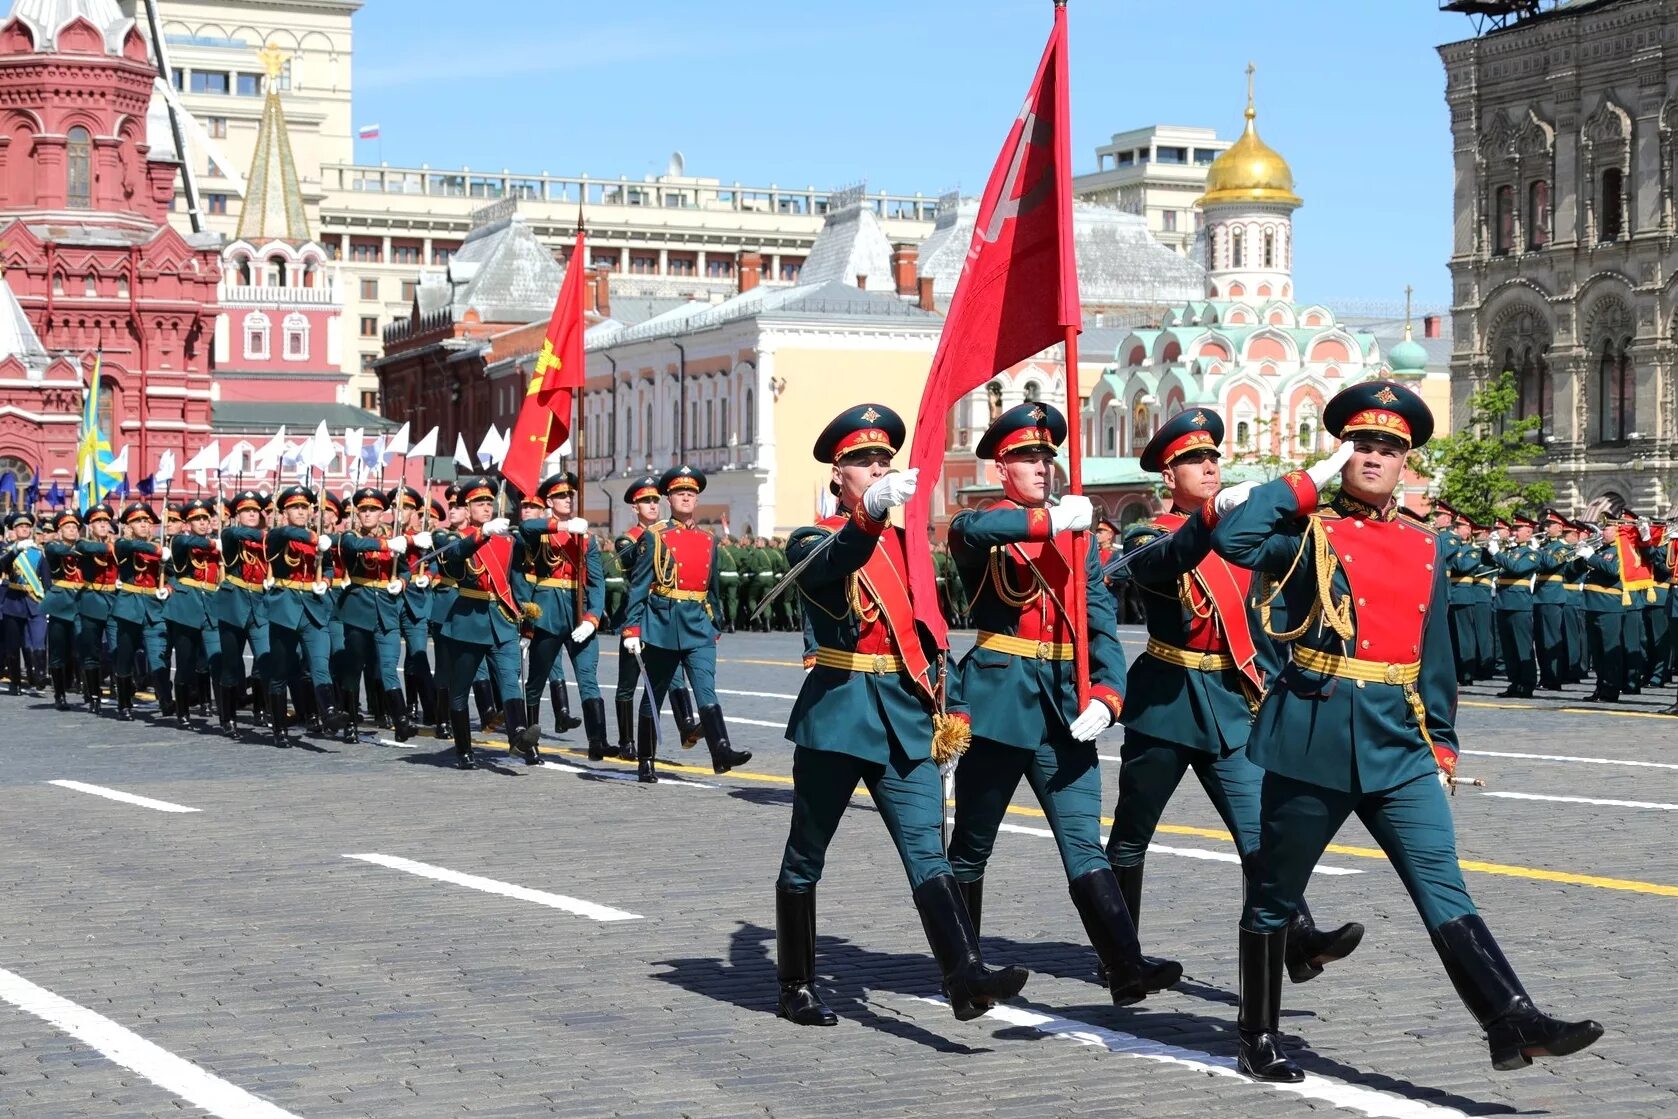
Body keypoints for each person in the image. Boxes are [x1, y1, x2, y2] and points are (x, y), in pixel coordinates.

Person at [1209, 379, 1601, 1082]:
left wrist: (1443, 741)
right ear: (1343, 452)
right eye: (1361, 443)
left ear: (1406, 461)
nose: (1374, 455)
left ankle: (1510, 1020)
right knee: (1273, 892)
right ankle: (1258, 1033)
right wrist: (1302, 483)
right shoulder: (1310, 530)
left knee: (1444, 885)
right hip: (1315, 734)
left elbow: (1436, 656)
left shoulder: (1428, 544)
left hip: (1400, 742)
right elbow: (1232, 538)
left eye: (1388, 447)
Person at [775, 403, 1027, 1027]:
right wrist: (868, 514)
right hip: (839, 713)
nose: (878, 469)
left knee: (927, 853)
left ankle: (964, 974)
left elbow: (933, 634)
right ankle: (797, 982)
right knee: (807, 854)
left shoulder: (910, 550)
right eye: (863, 463)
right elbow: (837, 563)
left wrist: (955, 706)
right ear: (839, 477)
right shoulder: (814, 539)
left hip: (906, 714)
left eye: (884, 460)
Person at [1107, 408, 1362, 986]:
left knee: (1260, 832)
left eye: (1213, 457)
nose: (1209, 466)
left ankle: (1298, 938)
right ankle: (1119, 954)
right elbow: (1166, 561)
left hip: (1231, 699)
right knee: (1132, 832)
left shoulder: (1240, 532)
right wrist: (1208, 521)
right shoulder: (1152, 533)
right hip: (1169, 702)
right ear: (1167, 478)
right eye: (1193, 460)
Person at [944, 402, 1176, 1006]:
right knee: (972, 842)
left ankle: (1125, 967)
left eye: (1048, 456)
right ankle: (965, 972)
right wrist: (1048, 525)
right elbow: (969, 535)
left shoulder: (1080, 544)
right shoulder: (985, 527)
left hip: (1065, 706)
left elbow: (1100, 626)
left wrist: (1107, 693)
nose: (1042, 466)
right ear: (1002, 468)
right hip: (999, 702)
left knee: (1083, 841)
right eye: (1027, 457)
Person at [621, 466, 750, 781]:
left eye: (691, 493)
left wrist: (715, 623)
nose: (686, 497)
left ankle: (721, 751)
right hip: (663, 623)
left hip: (698, 624)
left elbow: (713, 587)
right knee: (657, 691)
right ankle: (646, 758)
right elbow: (639, 585)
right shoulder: (655, 537)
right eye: (680, 493)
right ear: (669, 498)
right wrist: (632, 628)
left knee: (707, 690)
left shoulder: (709, 539)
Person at [435, 476, 542, 770]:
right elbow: (455, 559)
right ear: (467, 509)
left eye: (488, 502)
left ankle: (520, 737)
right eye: (478, 503)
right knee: (460, 689)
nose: (485, 507)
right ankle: (463, 749)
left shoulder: (507, 539)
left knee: (510, 681)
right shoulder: (453, 539)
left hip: (503, 621)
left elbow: (516, 581)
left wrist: (526, 619)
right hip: (469, 620)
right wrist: (481, 534)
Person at [516, 472, 608, 757]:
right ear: (549, 501)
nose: (567, 499)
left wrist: (593, 617)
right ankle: (528, 739)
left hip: (578, 612)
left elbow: (596, 581)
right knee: (537, 678)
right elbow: (526, 528)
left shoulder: (587, 539)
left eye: (570, 495)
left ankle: (597, 741)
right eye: (560, 496)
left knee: (588, 677)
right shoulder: (541, 533)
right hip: (548, 612)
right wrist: (563, 525)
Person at [613, 475, 701, 758]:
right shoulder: (628, 539)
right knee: (628, 682)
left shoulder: (672, 533)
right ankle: (627, 740)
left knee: (674, 675)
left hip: (664, 617)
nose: (651, 505)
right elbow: (634, 563)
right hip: (639, 616)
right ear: (635, 508)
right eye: (645, 501)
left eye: (654, 500)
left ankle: (687, 724)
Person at [338, 487, 425, 743]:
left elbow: (407, 569)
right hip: (358, 610)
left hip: (387, 611)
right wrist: (390, 544)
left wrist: (403, 582)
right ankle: (351, 722)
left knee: (388, 667)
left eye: (373, 510)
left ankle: (401, 722)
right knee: (354, 667)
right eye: (363, 509)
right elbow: (354, 546)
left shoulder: (393, 535)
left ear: (382, 512)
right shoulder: (350, 536)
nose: (367, 514)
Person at [265, 486, 349, 745]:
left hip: (313, 608)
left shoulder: (319, 538)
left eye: (304, 507)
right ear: (285, 512)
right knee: (281, 671)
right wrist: (314, 540)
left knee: (320, 665)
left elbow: (331, 567)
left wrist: (325, 579)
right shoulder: (278, 535)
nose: (300, 511)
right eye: (294, 507)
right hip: (285, 609)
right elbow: (287, 533)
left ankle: (330, 712)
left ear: (312, 511)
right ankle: (279, 728)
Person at [216, 489, 274, 738]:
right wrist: (268, 535)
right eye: (246, 510)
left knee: (265, 659)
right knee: (231, 663)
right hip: (233, 605)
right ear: (237, 514)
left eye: (255, 510)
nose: (251, 514)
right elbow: (236, 533)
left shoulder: (268, 540)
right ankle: (228, 718)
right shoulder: (232, 534)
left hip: (260, 605)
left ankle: (262, 709)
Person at [165, 498, 222, 732]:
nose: (202, 522)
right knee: (186, 663)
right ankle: (183, 712)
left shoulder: (215, 544)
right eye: (197, 519)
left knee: (216, 659)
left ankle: (225, 714)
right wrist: (213, 546)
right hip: (186, 608)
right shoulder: (180, 541)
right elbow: (182, 543)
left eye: (205, 519)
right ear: (187, 523)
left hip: (211, 606)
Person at [110, 502, 168, 722]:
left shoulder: (158, 549)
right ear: (129, 526)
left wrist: (167, 588)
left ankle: (165, 700)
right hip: (129, 608)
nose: (144, 525)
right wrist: (158, 550)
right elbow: (126, 548)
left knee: (158, 655)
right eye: (138, 521)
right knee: (125, 657)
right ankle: (124, 703)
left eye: (146, 521)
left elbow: (170, 575)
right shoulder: (124, 545)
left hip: (154, 608)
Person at [1487, 514, 1539, 698]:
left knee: (1522, 646)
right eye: (1514, 529)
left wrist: (1497, 553)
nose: (1514, 532)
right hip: (1503, 603)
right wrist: (1490, 549)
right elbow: (1487, 564)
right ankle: (1514, 682)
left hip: (1519, 605)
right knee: (1508, 648)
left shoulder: (1531, 553)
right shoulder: (1509, 551)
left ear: (1529, 532)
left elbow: (1516, 568)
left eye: (1519, 530)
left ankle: (1527, 683)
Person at [73, 503, 118, 713]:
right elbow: (89, 549)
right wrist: (113, 547)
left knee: (118, 649)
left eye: (105, 521)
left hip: (114, 601)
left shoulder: (117, 544)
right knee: (91, 651)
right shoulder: (83, 544)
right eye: (98, 522)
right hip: (91, 601)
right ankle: (94, 697)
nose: (102, 525)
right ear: (90, 526)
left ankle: (122, 697)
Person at [39, 509, 85, 711]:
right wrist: (80, 550)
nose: (72, 530)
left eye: (75, 527)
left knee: (82, 649)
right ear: (59, 531)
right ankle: (59, 695)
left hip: (81, 602)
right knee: (58, 651)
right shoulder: (53, 547)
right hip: (60, 604)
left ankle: (87, 689)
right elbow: (55, 551)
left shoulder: (86, 549)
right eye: (67, 527)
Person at [0, 510, 47, 697]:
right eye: (20, 527)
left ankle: (40, 674)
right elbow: (2, 566)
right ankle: (15, 682)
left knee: (37, 641)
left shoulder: (39, 552)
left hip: (35, 602)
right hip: (13, 601)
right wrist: (16, 550)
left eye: (27, 526)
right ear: (13, 530)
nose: (24, 529)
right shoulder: (6, 551)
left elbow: (46, 578)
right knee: (13, 645)